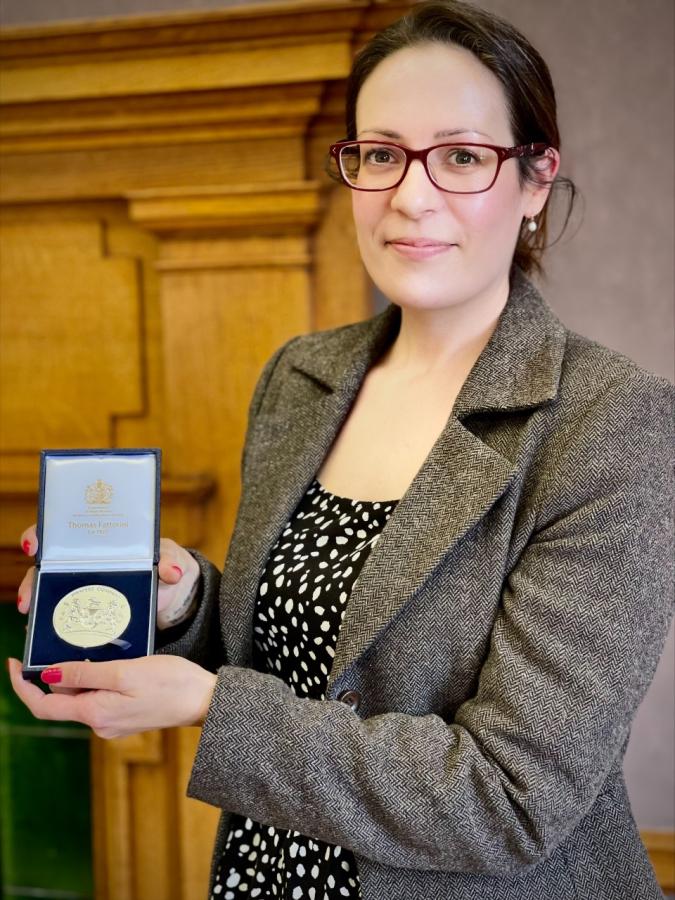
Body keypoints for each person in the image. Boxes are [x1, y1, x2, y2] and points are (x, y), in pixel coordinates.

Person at [8, 1, 674, 898]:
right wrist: (181, 602)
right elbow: (298, 658)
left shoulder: (612, 424)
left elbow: (509, 800)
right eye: (380, 153)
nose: (409, 196)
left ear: (533, 180)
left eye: (463, 157)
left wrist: (208, 706)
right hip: (269, 870)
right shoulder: (302, 376)